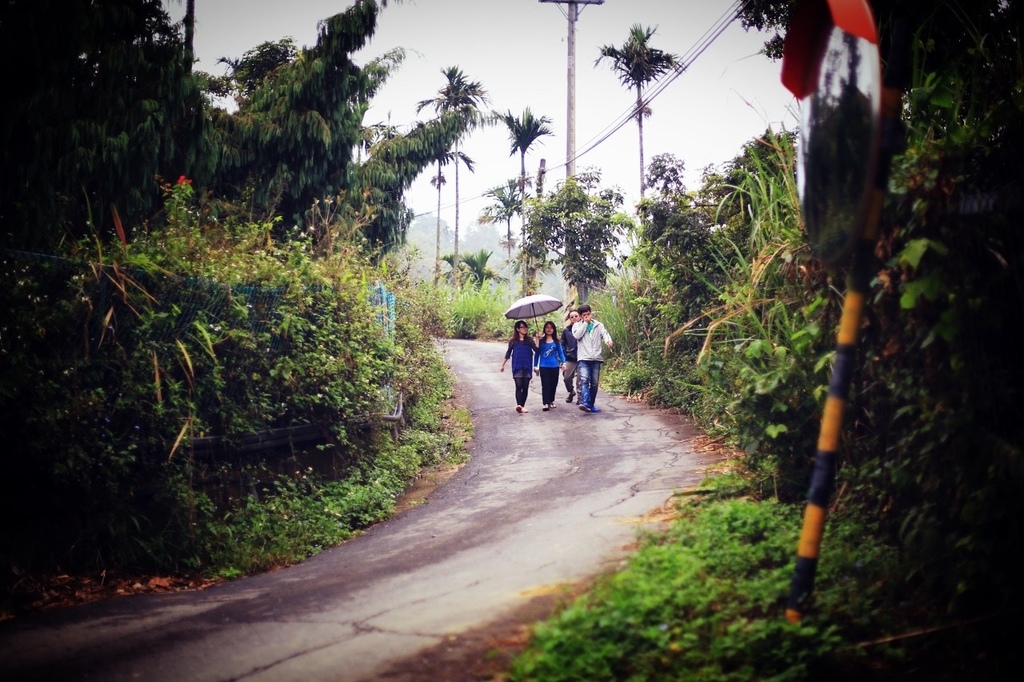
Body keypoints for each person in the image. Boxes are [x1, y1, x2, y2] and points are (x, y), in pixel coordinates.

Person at [572, 303, 613, 413]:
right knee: (584, 380)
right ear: (580, 316)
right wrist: (585, 323)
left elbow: (605, 334)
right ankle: (585, 402)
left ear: (591, 313)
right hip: (583, 357)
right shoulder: (576, 326)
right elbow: (577, 336)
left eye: (588, 314)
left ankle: (591, 404)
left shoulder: (598, 325)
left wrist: (608, 341)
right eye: (584, 315)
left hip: (596, 358)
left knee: (594, 383)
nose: (587, 316)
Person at [499, 319, 538, 413]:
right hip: (517, 366)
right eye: (522, 327)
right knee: (518, 385)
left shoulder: (529, 340)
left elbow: (536, 350)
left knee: (525, 386)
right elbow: (508, 353)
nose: (525, 329)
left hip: (527, 365)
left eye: (526, 327)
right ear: (517, 329)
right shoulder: (513, 341)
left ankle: (522, 406)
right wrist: (502, 364)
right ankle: (519, 405)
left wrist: (537, 339)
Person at [534, 320, 566, 411]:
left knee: (553, 384)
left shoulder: (556, 341)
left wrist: (564, 363)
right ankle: (545, 403)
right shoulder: (541, 341)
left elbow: (561, 353)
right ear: (544, 329)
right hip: (544, 366)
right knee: (545, 384)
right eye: (547, 327)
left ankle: (551, 401)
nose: (549, 329)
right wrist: (535, 365)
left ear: (554, 329)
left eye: (551, 327)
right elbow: (537, 354)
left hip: (554, 366)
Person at [561, 309, 581, 404]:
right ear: (569, 319)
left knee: (581, 380)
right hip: (571, 357)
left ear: (580, 316)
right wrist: (565, 355)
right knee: (566, 378)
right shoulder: (566, 331)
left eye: (576, 316)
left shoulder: (584, 327)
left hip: (582, 357)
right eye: (571, 317)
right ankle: (571, 391)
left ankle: (580, 398)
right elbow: (562, 343)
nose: (574, 318)